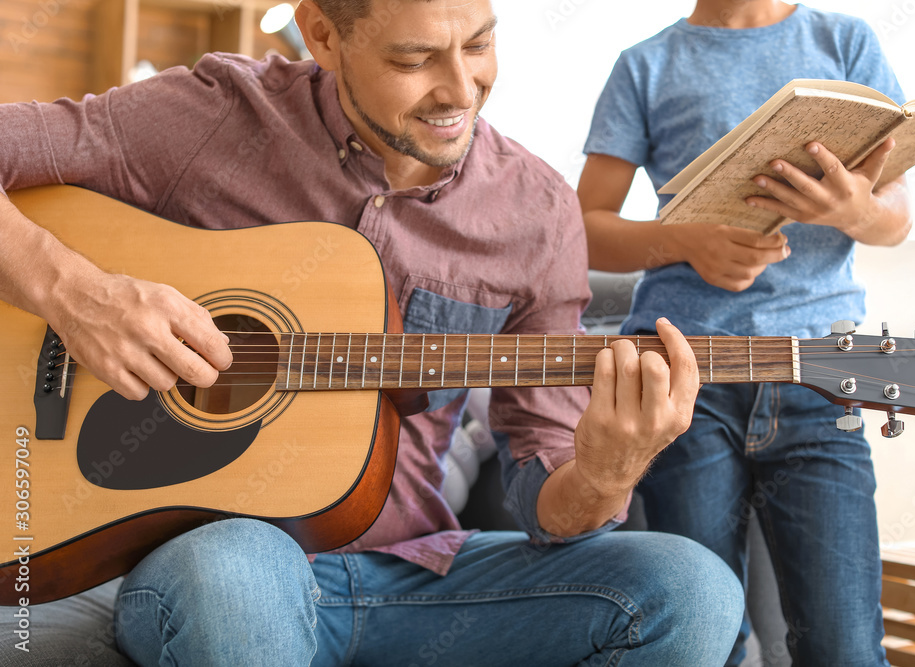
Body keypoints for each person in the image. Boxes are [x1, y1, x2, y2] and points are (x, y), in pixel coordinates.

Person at [0, 0, 745, 664]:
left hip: (416, 574)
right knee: (235, 575)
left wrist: (607, 472)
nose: (460, 90)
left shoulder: (537, 213)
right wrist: (74, 292)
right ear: (322, 33)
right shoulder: (214, 116)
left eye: (480, 45)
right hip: (224, 566)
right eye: (413, 59)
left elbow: (545, 502)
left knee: (693, 587)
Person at [578, 1, 911, 665]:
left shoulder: (845, 43)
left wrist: (856, 209)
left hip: (821, 373)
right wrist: (682, 242)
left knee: (845, 644)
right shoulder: (646, 64)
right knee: (703, 634)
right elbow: (583, 226)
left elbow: (895, 219)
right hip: (685, 377)